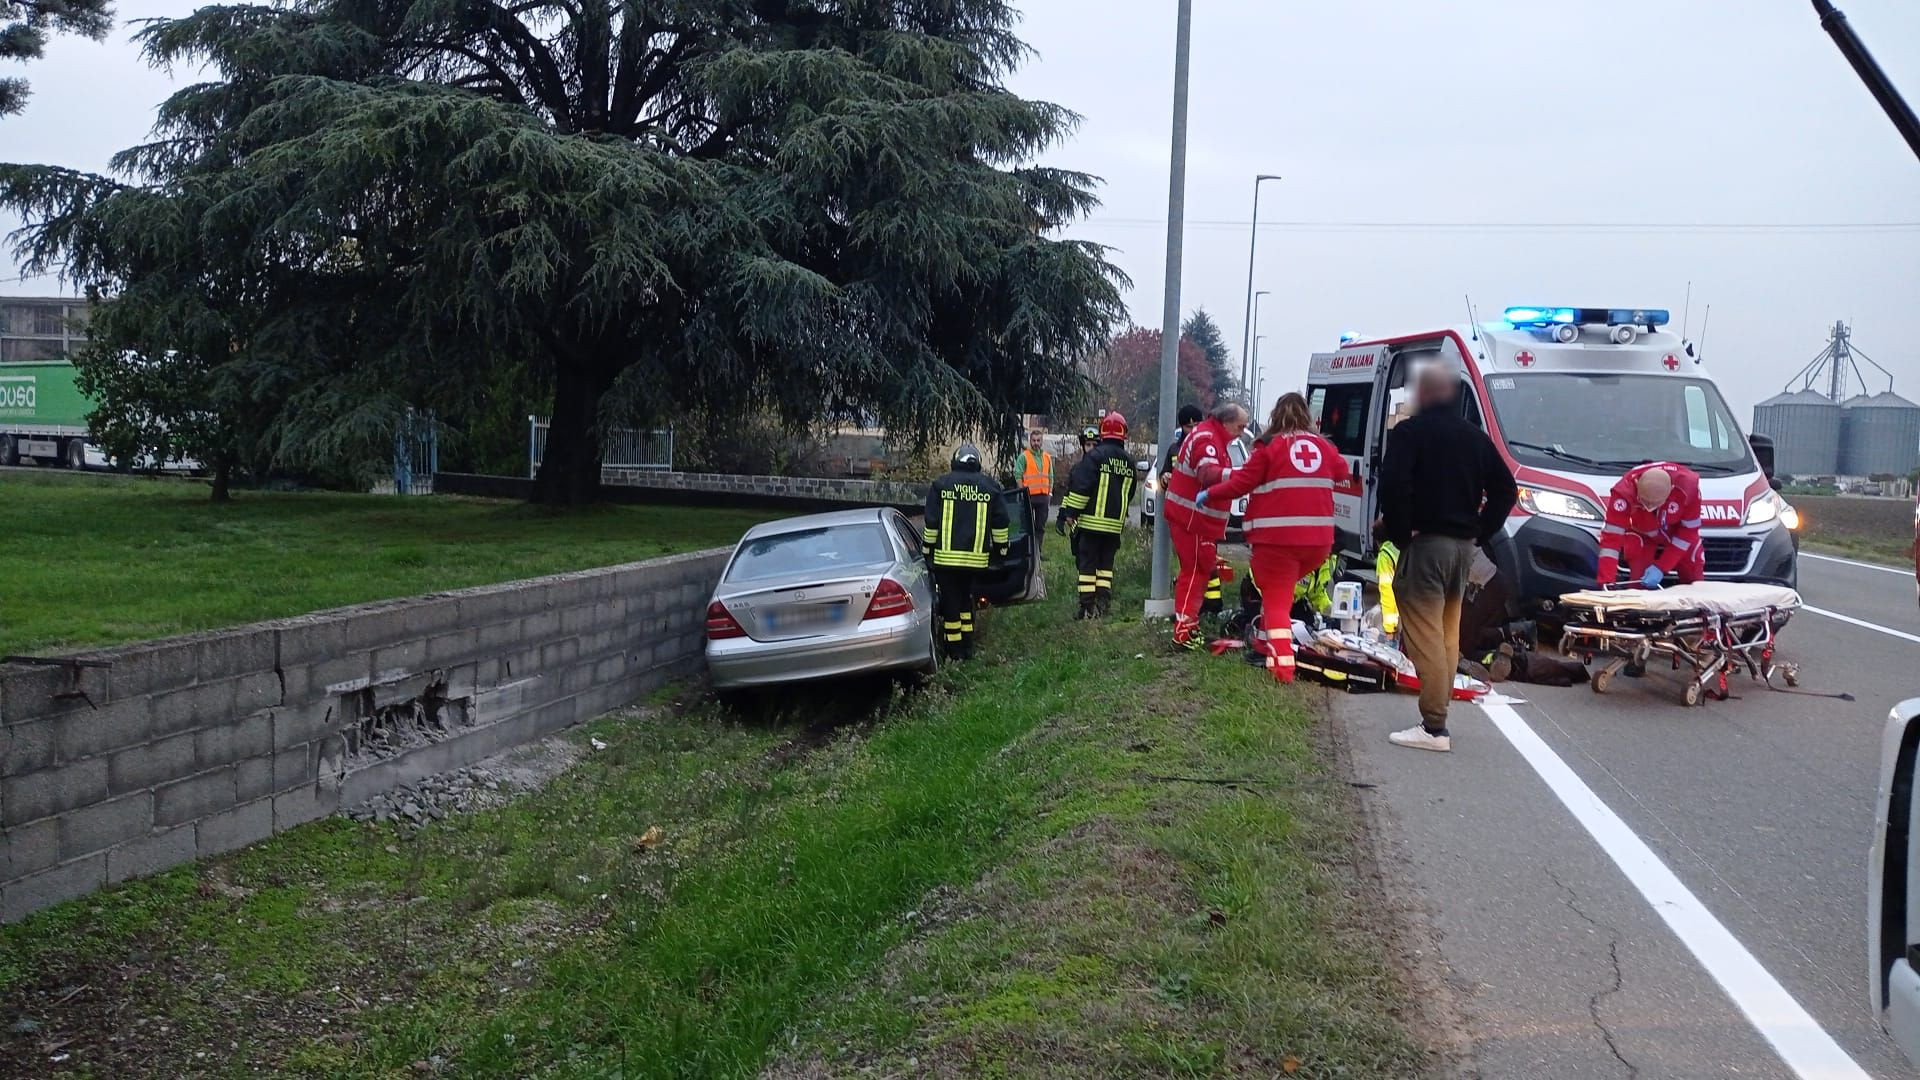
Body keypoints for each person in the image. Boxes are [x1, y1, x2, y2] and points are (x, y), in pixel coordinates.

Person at [1376, 365, 1518, 752]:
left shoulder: (1408, 433)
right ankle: (1437, 717)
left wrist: (1403, 533)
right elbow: (1507, 490)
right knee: (1447, 631)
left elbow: (1394, 486)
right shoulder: (1475, 438)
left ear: (1423, 394)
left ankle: (1434, 726)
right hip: (1463, 549)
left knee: (1424, 636)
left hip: (1426, 547)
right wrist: (1480, 531)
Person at [1199, 393, 1348, 682]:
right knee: (1278, 596)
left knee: (1277, 601)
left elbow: (1241, 483)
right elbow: (1341, 471)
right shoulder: (1324, 447)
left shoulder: (1268, 447)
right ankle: (1264, 644)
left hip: (1277, 542)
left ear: (1275, 415)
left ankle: (1282, 667)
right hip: (1318, 544)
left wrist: (1210, 493)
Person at [1164, 402, 1249, 649]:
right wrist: (1240, 475)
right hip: (1191, 519)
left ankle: (1188, 626)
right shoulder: (1208, 439)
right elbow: (1208, 473)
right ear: (1227, 422)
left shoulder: (1212, 438)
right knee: (1193, 571)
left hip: (1196, 520)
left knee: (1200, 569)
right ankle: (1183, 630)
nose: (1242, 433)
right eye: (1240, 426)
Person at [922, 443, 1010, 660]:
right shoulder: (990, 487)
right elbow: (1001, 523)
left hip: (945, 562)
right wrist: (1001, 551)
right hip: (976, 562)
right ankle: (968, 646)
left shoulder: (941, 484)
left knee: (951, 604)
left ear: (955, 461)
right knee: (965, 601)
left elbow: (931, 522)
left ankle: (954, 652)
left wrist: (927, 552)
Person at [1059, 411, 1136, 619]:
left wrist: (1071, 513)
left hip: (1091, 524)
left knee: (1087, 565)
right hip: (1114, 526)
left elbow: (1082, 487)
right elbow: (1129, 493)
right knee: (1105, 567)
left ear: (1103, 433)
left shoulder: (1095, 457)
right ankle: (1103, 605)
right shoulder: (1129, 461)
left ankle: (1086, 608)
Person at [1594, 462, 1705, 589]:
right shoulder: (1623, 492)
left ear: (1671, 491)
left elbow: (1688, 532)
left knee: (1693, 568)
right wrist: (1605, 582)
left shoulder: (1688, 489)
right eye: (1644, 501)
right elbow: (1611, 539)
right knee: (1638, 578)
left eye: (1654, 504)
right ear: (1637, 485)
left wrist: (1662, 566)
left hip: (1674, 529)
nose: (1648, 508)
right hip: (1642, 531)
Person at [1019, 428, 1055, 544]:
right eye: (1033, 440)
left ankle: (1038, 552)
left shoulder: (1047, 457)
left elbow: (1050, 477)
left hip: (1043, 497)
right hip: (1029, 496)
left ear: (1041, 441)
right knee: (1027, 527)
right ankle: (1027, 550)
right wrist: (1022, 492)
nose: (1036, 443)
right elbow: (1017, 475)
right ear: (1030, 441)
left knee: (1040, 527)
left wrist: (1049, 493)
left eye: (1038, 440)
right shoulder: (1024, 457)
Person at [1161, 404, 1205, 474]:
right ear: (1182, 426)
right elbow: (1165, 473)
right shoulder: (1174, 449)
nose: (1193, 430)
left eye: (1196, 425)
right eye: (1189, 427)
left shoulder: (1209, 449)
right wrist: (1165, 477)